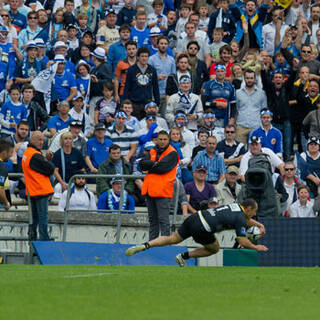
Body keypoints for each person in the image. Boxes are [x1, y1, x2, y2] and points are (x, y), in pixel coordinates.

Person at [125, 198, 268, 266]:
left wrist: (259, 224)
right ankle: (183, 256)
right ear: (248, 208)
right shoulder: (240, 219)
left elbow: (246, 220)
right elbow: (242, 240)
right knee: (214, 248)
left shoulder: (236, 206)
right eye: (254, 211)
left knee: (171, 238)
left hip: (195, 217)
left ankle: (144, 245)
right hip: (203, 228)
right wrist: (256, 247)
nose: (254, 214)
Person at [140, 130, 179, 240]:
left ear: (168, 140)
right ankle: (152, 244)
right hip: (150, 191)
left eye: (164, 139)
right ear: (156, 140)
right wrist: (155, 164)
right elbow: (142, 164)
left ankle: (164, 245)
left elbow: (162, 168)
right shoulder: (152, 151)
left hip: (162, 191)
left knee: (164, 221)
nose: (162, 141)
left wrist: (151, 166)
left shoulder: (172, 153)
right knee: (153, 221)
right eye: (160, 139)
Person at [22, 131, 55, 240]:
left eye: (43, 140)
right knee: (42, 220)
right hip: (40, 190)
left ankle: (32, 241)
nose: (42, 142)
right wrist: (48, 161)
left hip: (33, 190)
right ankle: (43, 244)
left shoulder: (28, 152)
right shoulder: (35, 155)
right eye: (39, 140)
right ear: (32, 140)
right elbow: (50, 169)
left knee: (34, 219)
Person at [123, 46, 160, 120]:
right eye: (142, 56)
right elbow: (127, 87)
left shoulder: (152, 70)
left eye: (146, 56)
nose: (144, 58)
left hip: (148, 103)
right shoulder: (131, 70)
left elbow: (155, 88)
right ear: (138, 57)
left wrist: (157, 103)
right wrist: (125, 103)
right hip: (134, 103)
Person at [235, 69, 267, 146]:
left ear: (255, 79)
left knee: (256, 151)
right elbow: (236, 110)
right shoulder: (237, 93)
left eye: (251, 78)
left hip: (256, 126)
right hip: (241, 126)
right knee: (240, 151)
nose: (249, 80)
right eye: (247, 78)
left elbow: (264, 111)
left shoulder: (261, 93)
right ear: (244, 78)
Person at [52, 131, 86, 197]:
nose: (68, 141)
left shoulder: (77, 153)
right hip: (61, 182)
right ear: (62, 140)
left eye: (70, 139)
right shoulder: (57, 154)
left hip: (76, 181)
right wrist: (62, 183)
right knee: (58, 189)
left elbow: (82, 169)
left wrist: (79, 181)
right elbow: (55, 171)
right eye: (66, 139)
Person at [0, 140, 14, 210]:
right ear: (4, 153)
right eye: (11, 152)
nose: (11, 155)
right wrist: (6, 203)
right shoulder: (2, 167)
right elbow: (0, 189)